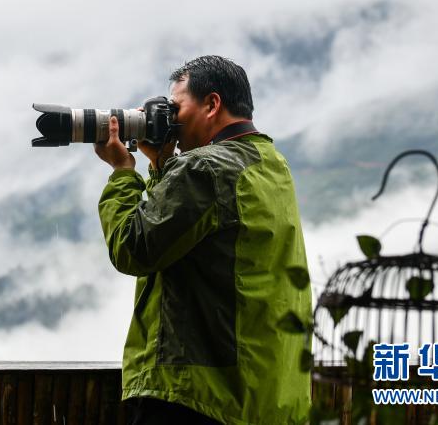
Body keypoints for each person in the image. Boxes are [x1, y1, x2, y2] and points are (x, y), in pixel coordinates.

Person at [94, 55, 311, 425]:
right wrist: (161, 166)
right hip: (262, 394)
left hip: (197, 396)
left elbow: (135, 248)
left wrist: (123, 172)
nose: (170, 122)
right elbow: (190, 232)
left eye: (176, 108)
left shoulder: (205, 168)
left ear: (212, 104)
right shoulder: (270, 163)